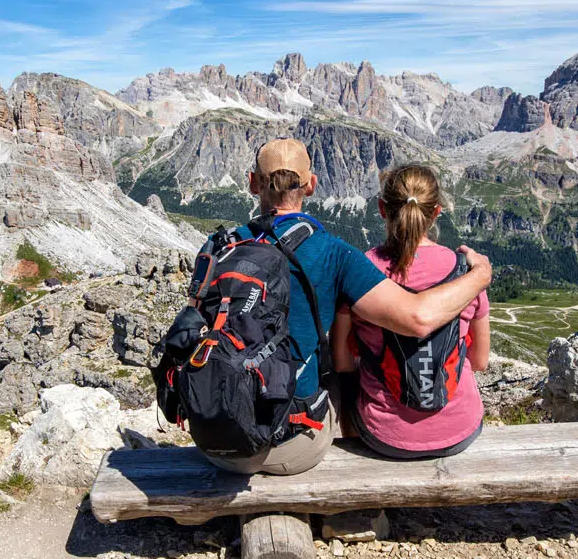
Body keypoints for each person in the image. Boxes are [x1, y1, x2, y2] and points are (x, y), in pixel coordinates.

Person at [188, 138, 491, 475]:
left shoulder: (217, 246)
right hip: (293, 445)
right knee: (333, 371)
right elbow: (417, 317)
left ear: (252, 183)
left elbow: (195, 326)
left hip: (218, 439)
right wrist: (480, 275)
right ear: (311, 185)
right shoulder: (335, 253)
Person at [332, 164, 490, 458]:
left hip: (383, 436)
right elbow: (479, 361)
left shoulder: (360, 270)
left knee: (345, 378)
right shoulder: (467, 275)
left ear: (382, 209)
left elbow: (342, 363)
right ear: (437, 212)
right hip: (460, 431)